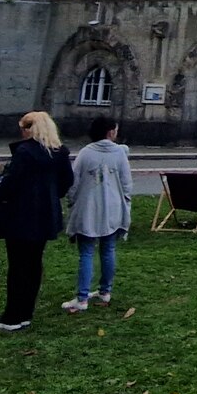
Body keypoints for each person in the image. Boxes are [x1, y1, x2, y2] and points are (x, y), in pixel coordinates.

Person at [0, 111, 74, 331]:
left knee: (18, 264)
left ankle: (12, 315)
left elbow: (12, 183)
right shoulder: (59, 152)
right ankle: (26, 311)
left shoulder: (25, 152)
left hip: (20, 212)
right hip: (45, 213)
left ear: (29, 129)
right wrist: (52, 196)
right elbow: (67, 180)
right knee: (34, 263)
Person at [60, 115, 131, 313]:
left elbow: (73, 182)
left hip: (88, 207)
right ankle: (105, 290)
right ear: (110, 132)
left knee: (87, 252)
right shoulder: (119, 153)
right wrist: (125, 203)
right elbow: (126, 183)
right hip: (113, 207)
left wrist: (72, 202)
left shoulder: (86, 153)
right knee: (108, 249)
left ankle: (82, 297)